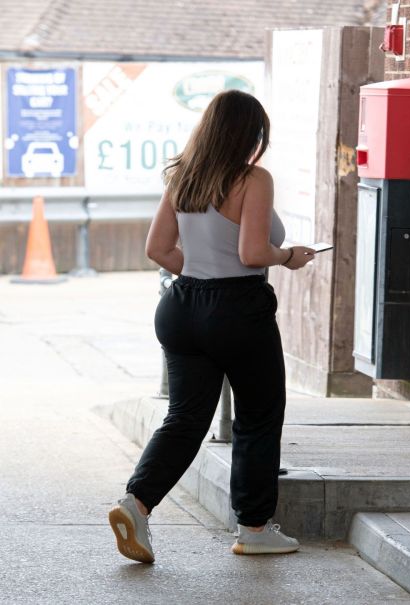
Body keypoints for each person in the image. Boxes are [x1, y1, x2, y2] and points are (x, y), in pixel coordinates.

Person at [108, 90, 315, 564]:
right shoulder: (252, 179)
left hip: (181, 308)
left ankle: (135, 505)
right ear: (251, 135)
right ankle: (255, 528)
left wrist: (200, 273)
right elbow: (253, 254)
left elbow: (158, 250)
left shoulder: (182, 177)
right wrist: (290, 256)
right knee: (258, 416)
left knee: (185, 417)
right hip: (238, 309)